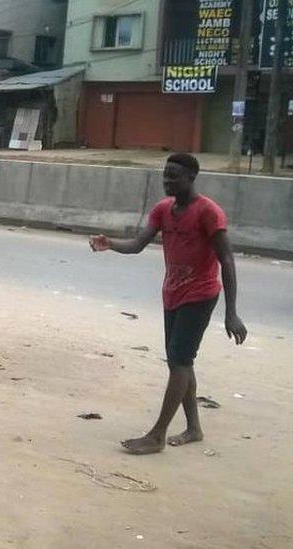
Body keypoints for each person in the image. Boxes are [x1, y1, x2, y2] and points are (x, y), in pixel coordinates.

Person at [89, 153, 247, 455]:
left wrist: (232, 312)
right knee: (181, 361)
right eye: (165, 174)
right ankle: (194, 428)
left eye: (173, 176)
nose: (166, 180)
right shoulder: (163, 210)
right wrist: (110, 244)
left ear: (190, 178)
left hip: (200, 294)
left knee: (179, 360)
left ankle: (157, 435)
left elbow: (226, 260)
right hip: (172, 293)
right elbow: (138, 245)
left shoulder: (208, 213)